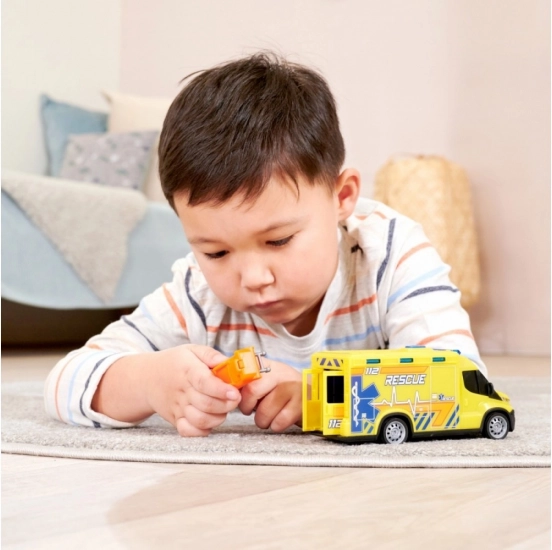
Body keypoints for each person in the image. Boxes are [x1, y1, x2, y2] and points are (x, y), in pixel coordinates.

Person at [44, 52, 485, 437]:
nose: (253, 278)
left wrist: (316, 394)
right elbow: (64, 381)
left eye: (279, 240)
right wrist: (148, 381)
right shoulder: (199, 293)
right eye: (216, 252)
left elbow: (460, 379)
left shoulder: (390, 255)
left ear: (342, 197)